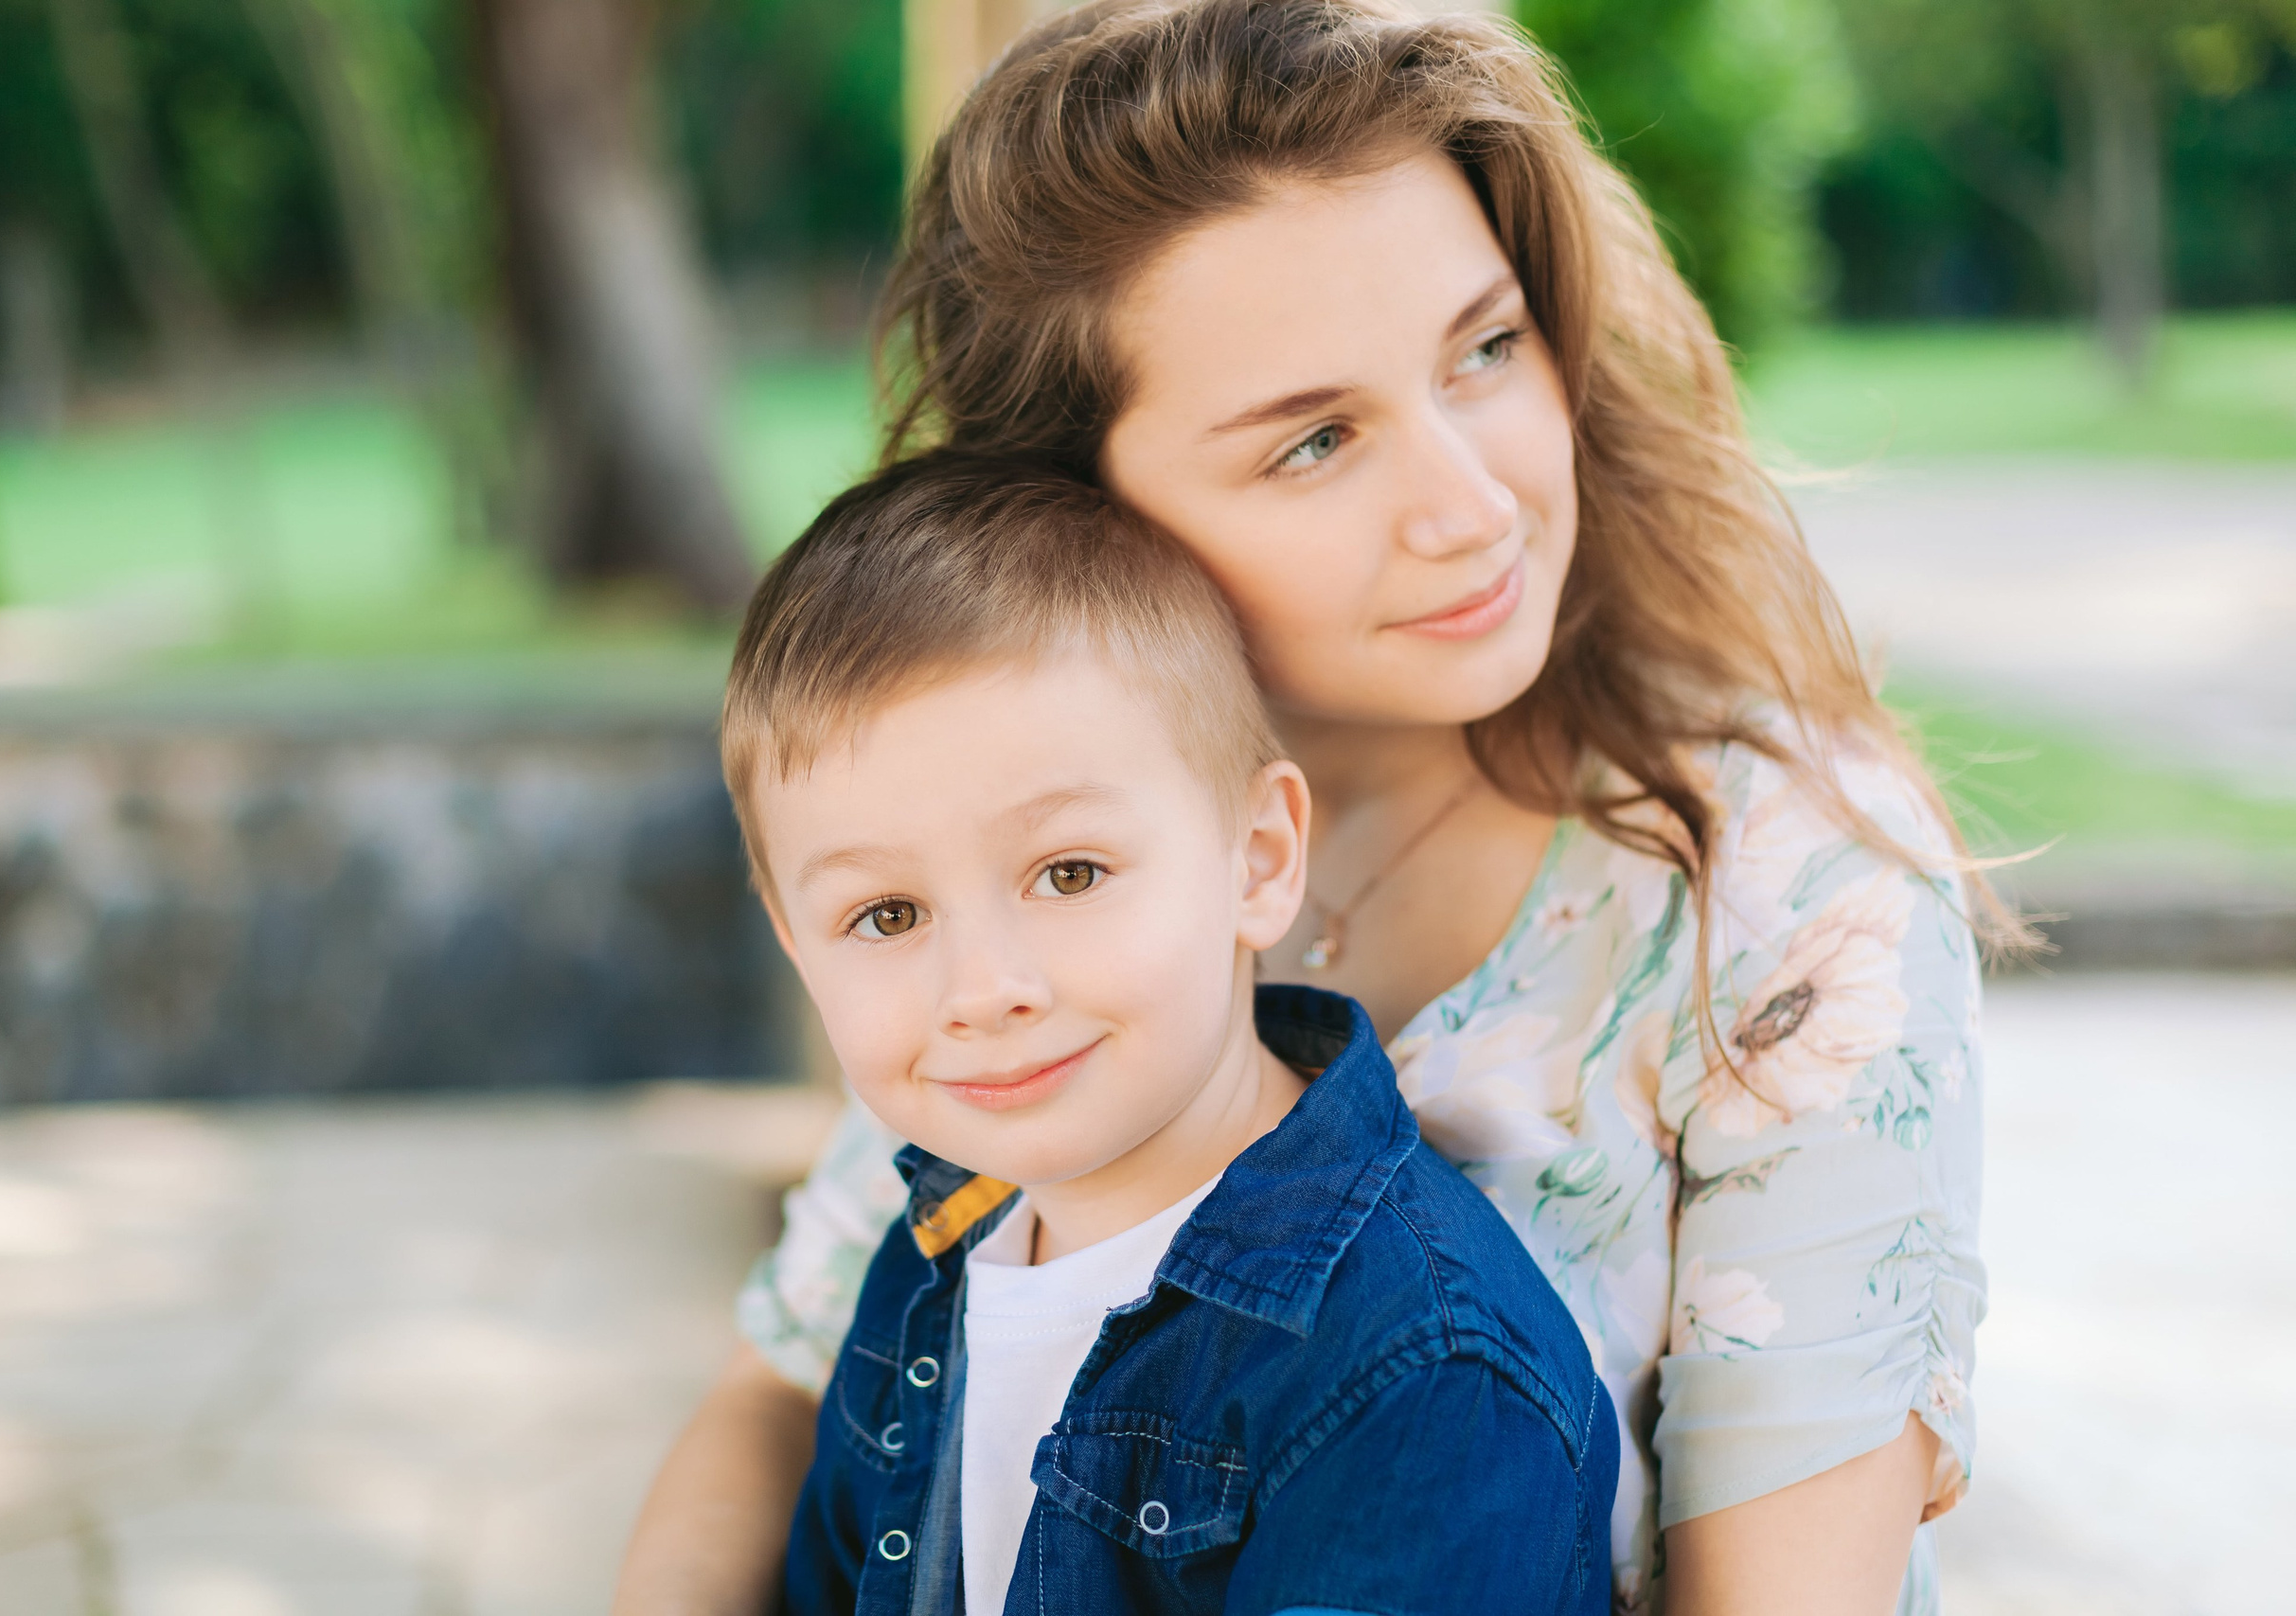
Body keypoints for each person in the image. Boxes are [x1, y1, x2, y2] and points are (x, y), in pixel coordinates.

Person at [616, 2, 1997, 1612]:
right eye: (1316, 440)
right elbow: (787, 1377)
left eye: (1486, 348)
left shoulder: (1782, 892)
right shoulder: (1020, 859)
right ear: (1075, 506)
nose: (1473, 505)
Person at [724, 455, 1617, 1615]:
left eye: (1069, 871)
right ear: (797, 941)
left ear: (1256, 859)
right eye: (886, 915)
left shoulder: (1410, 1366)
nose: (984, 988)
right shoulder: (927, 1260)